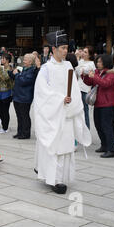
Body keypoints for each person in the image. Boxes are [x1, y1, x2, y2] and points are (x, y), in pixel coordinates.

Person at [34, 30, 92, 194]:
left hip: (67, 113)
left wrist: (72, 102)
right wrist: (60, 100)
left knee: (65, 148)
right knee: (53, 146)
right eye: (63, 48)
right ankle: (54, 179)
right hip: (52, 114)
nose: (66, 51)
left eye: (67, 48)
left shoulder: (68, 66)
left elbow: (74, 88)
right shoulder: (46, 69)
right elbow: (41, 93)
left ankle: (60, 177)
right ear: (53, 49)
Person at [83, 54, 114, 158]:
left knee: (106, 127)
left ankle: (111, 150)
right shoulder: (97, 72)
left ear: (106, 62)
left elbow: (105, 84)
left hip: (107, 104)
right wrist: (84, 75)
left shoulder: (111, 74)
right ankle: (104, 145)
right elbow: (89, 82)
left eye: (100, 62)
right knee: (98, 125)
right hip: (97, 103)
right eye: (97, 62)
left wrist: (95, 76)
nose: (98, 63)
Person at [9, 54, 39, 140]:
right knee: (19, 115)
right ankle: (20, 132)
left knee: (24, 115)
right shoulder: (24, 69)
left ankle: (26, 133)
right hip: (18, 95)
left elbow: (24, 81)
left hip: (25, 97)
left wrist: (17, 74)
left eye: (25, 60)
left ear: (30, 62)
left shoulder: (32, 71)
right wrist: (13, 73)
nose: (24, 61)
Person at [75, 46, 96, 130]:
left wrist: (77, 59)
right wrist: (79, 67)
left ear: (90, 55)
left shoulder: (91, 64)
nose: (83, 53)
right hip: (77, 88)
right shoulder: (80, 61)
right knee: (78, 111)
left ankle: (87, 131)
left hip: (85, 89)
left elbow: (80, 71)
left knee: (85, 111)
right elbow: (78, 72)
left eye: (85, 52)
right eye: (83, 51)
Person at [0, 53, 14, 133]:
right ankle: (1, 125)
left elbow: (5, 77)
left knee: (5, 110)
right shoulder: (0, 67)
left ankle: (5, 127)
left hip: (6, 92)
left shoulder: (10, 68)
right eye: (1, 58)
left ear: (7, 60)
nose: (1, 60)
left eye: (3, 58)